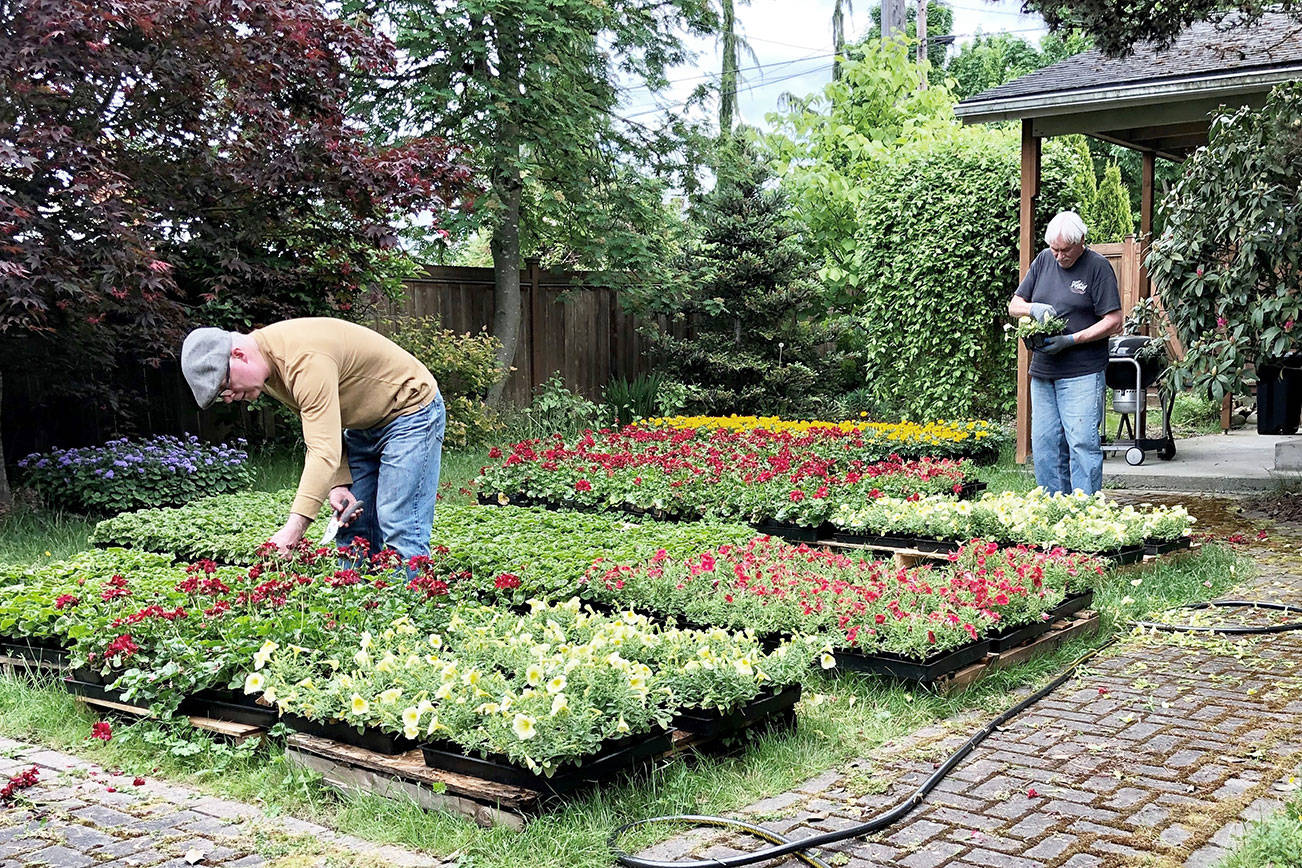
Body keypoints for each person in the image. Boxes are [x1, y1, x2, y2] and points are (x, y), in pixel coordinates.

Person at [180, 317, 445, 559]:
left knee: (398, 522)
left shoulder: (303, 359)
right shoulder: (270, 371)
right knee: (352, 526)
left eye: (225, 385)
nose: (228, 397)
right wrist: (339, 483)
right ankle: (361, 607)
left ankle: (411, 607)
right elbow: (321, 425)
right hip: (362, 423)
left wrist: (293, 531)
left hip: (410, 411)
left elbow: (322, 451)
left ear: (239, 355)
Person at [1008, 211, 1122, 495]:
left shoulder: (1098, 268)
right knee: (1046, 443)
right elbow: (1015, 304)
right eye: (1055, 249)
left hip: (1083, 371)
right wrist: (1033, 308)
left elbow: (1114, 320)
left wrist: (1071, 339)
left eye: (1065, 250)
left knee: (1082, 442)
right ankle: (1053, 508)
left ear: (1081, 241)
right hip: (1044, 371)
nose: (1059, 257)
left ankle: (1084, 510)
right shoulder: (1044, 260)